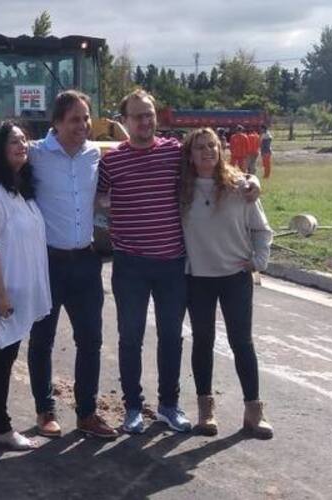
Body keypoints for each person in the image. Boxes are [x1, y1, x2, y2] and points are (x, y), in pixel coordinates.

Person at [96, 89, 192, 434]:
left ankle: (169, 405)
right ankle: (133, 407)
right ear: (124, 121)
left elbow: (214, 174)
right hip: (130, 265)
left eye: (149, 113)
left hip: (171, 263)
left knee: (171, 336)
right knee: (130, 337)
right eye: (137, 115)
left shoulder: (175, 153)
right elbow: (95, 199)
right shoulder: (111, 162)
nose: (145, 120)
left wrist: (249, 181)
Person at [27, 90, 120, 440]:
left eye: (85, 118)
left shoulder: (95, 154)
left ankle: (87, 413)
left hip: (86, 261)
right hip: (47, 262)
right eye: (74, 119)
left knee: (91, 340)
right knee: (42, 339)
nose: (82, 125)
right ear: (56, 123)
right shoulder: (35, 154)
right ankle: (45, 410)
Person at [180, 128, 274, 439]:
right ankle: (206, 410)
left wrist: (259, 261)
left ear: (220, 149)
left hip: (235, 278)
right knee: (203, 342)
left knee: (241, 343)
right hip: (198, 279)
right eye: (199, 147)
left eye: (212, 145)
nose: (207, 151)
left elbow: (262, 230)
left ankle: (253, 411)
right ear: (190, 155)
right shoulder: (181, 191)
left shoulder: (241, 187)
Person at [0, 121, 52, 450]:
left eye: (24, 140)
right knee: (0, 357)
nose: (22, 146)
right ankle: (0, 426)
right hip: (5, 293)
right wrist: (0, 293)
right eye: (14, 141)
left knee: (2, 355)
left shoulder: (18, 189)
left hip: (19, 291)